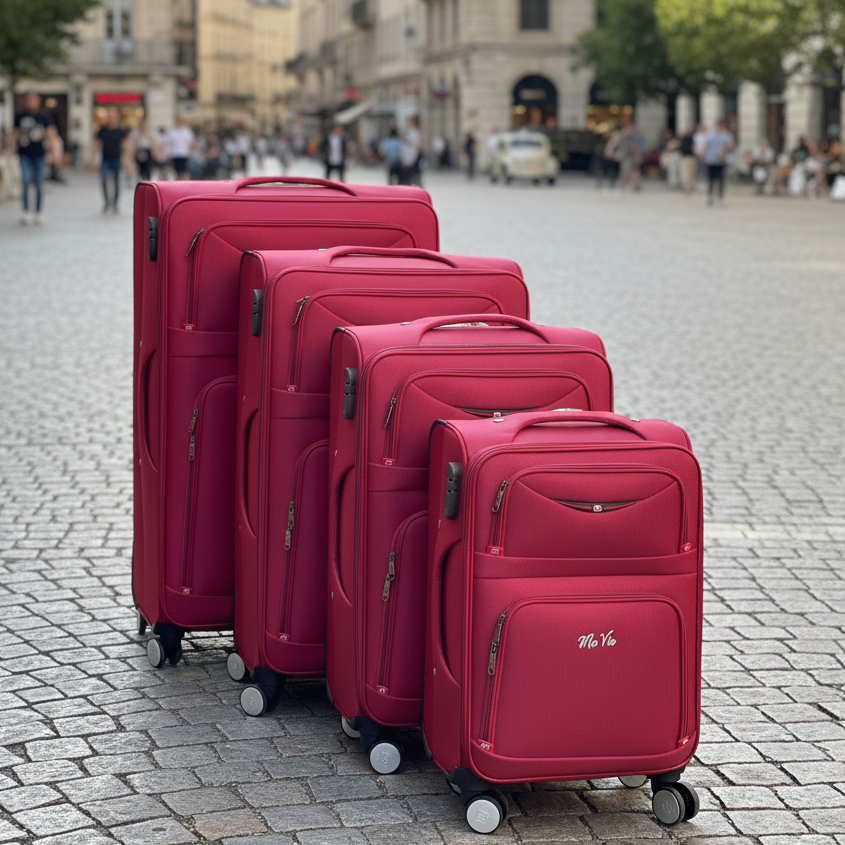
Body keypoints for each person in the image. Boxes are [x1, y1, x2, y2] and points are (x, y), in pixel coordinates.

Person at [13, 92, 60, 225]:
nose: (31, 102)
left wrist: (55, 154)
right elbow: (15, 135)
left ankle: (38, 212)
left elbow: (52, 135)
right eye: (29, 100)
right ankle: (26, 211)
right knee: (26, 182)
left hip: (40, 155)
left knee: (39, 184)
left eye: (34, 99)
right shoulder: (19, 117)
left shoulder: (44, 117)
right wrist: (11, 150)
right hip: (24, 155)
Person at [95, 107, 128, 212]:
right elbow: (97, 145)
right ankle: (106, 202)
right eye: (109, 116)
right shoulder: (102, 130)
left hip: (117, 159)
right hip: (105, 159)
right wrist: (94, 159)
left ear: (117, 117)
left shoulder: (120, 131)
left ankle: (115, 203)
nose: (111, 118)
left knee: (117, 181)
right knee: (104, 180)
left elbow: (127, 145)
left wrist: (127, 159)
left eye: (113, 116)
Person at [702, 119, 735, 205]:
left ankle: (720, 197)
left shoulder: (726, 135)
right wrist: (704, 158)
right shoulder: (711, 135)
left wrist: (724, 152)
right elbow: (705, 146)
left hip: (721, 161)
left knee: (721, 180)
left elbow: (731, 146)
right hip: (711, 160)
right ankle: (710, 196)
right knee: (710, 180)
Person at [617, 122, 644, 191]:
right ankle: (624, 184)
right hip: (626, 157)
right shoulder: (623, 137)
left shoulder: (633, 137)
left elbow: (635, 148)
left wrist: (637, 156)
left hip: (632, 157)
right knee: (625, 171)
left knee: (634, 171)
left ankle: (636, 185)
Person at [402, 116, 423, 186]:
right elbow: (415, 143)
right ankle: (412, 183)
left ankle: (414, 183)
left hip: (415, 154)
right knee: (413, 171)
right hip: (411, 154)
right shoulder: (412, 132)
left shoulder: (416, 132)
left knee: (415, 171)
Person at [679, 125, 697, 193]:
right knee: (687, 173)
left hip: (690, 157)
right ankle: (687, 187)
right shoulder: (686, 139)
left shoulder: (692, 138)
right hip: (687, 157)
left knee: (691, 173)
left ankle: (690, 186)